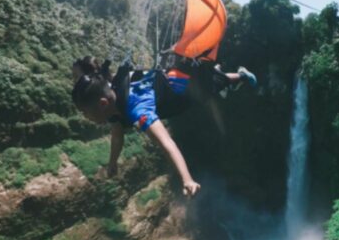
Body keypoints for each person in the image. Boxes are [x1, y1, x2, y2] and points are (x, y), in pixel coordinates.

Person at [71, 56, 257, 196]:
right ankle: (215, 72)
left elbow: (167, 143)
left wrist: (187, 180)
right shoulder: (112, 95)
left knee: (217, 83)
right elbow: (117, 135)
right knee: (215, 80)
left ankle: (241, 75)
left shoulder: (138, 109)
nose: (85, 117)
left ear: (103, 104)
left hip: (186, 87)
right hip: (171, 77)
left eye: (85, 112)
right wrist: (112, 162)